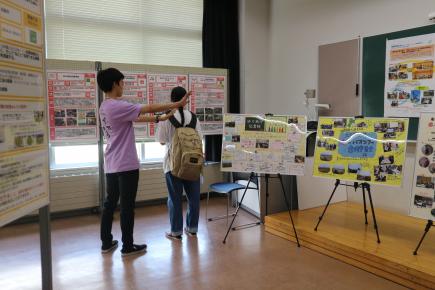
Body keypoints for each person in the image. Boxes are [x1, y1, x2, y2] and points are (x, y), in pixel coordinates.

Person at [98, 68, 189, 256]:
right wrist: (177, 103)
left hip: (111, 164)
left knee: (109, 203)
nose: (123, 86)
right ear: (115, 84)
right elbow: (145, 108)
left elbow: (134, 118)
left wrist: (160, 118)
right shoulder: (117, 105)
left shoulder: (105, 107)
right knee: (127, 206)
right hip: (126, 164)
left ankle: (106, 242)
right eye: (122, 83)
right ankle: (127, 246)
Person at [156, 86, 202, 240]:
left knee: (174, 199)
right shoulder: (194, 117)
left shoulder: (166, 117)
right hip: (193, 162)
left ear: (172, 99)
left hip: (172, 164)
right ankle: (192, 228)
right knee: (194, 197)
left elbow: (162, 141)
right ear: (185, 100)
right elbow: (199, 138)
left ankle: (176, 232)